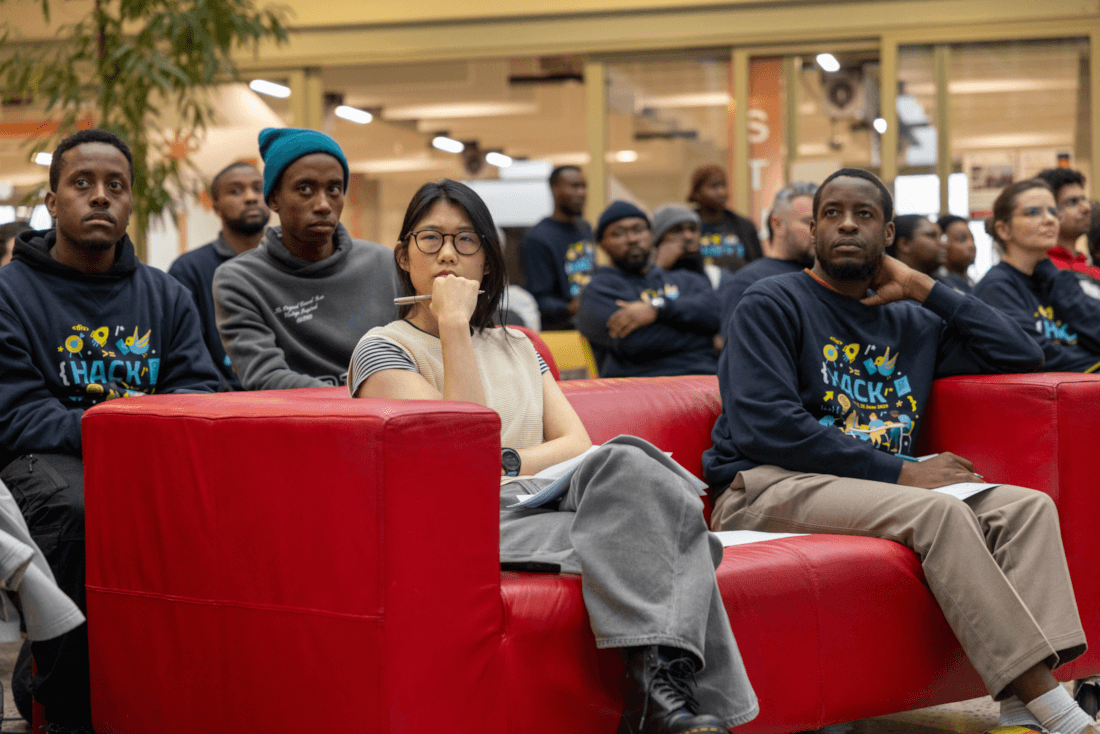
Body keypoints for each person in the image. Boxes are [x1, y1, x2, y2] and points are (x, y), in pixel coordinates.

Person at [348, 179, 758, 734]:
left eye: (466, 241)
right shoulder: (382, 347)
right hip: (463, 523)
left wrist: (509, 461)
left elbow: (578, 444)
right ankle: (665, 709)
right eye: (430, 239)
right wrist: (451, 324)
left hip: (538, 507)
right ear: (404, 256)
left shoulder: (518, 345)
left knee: (628, 464)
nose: (447, 252)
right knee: (676, 526)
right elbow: (461, 461)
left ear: (488, 264)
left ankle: (662, 704)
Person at [705, 167, 1098, 734]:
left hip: (869, 487)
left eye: (863, 216)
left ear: (888, 235)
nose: (845, 225)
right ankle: (1056, 711)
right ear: (812, 230)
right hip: (766, 484)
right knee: (939, 510)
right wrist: (900, 471)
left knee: (1026, 507)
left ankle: (1020, 711)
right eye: (831, 214)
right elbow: (766, 425)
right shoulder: (772, 301)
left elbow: (1021, 352)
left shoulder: (910, 319)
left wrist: (923, 287)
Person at [0, 129, 221, 731]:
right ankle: (69, 706)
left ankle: (179, 684)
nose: (100, 197)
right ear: (51, 202)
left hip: (145, 450)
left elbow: (201, 390)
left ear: (129, 203)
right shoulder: (10, 293)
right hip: (39, 460)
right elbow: (15, 413)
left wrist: (132, 432)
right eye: (82, 184)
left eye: (115, 186)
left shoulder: (166, 296)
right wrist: (125, 424)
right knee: (78, 509)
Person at [213, 127, 400, 390]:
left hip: (386, 419)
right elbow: (266, 378)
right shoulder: (241, 279)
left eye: (334, 189)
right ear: (274, 199)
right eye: (305, 189)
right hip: (299, 424)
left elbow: (417, 355)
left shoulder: (383, 263)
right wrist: (362, 403)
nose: (323, 204)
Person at [575, 201, 721, 377]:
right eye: (618, 233)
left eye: (638, 230)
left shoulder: (683, 277)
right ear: (601, 244)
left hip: (708, 380)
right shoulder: (598, 290)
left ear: (651, 235)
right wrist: (705, 338)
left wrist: (657, 309)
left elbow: (714, 314)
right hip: (641, 389)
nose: (632, 239)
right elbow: (636, 343)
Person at [974, 179, 1100, 373]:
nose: (1050, 219)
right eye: (1033, 212)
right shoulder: (996, 286)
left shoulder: (1054, 279)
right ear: (1004, 230)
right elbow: (1037, 354)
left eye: (1053, 211)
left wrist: (1053, 275)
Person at [169, 161, 270, 390]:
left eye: (258, 188)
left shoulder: (289, 263)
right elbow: (190, 353)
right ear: (215, 207)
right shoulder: (188, 270)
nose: (251, 197)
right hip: (221, 402)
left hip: (289, 397)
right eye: (236, 191)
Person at [718, 182, 816, 337]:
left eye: (822, 223)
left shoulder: (827, 276)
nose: (817, 231)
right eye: (808, 222)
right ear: (777, 224)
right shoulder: (748, 282)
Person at [522, 165, 596, 330]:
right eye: (574, 186)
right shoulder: (538, 237)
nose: (581, 193)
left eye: (584, 186)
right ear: (554, 189)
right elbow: (537, 298)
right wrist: (569, 308)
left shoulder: (585, 229)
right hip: (559, 332)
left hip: (589, 326)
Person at [688, 164, 762, 278]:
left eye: (724, 185)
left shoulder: (745, 226)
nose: (722, 192)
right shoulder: (687, 227)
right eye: (714, 186)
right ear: (697, 193)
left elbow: (758, 265)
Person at [1033, 168, 1099, 281]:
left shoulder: (1092, 270)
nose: (1086, 208)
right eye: (1072, 202)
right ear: (1048, 211)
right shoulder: (1038, 270)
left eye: (1084, 199)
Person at [935, 214, 976, 293]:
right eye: (962, 239)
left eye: (973, 239)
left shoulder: (971, 282)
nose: (971, 245)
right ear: (942, 243)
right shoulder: (938, 284)